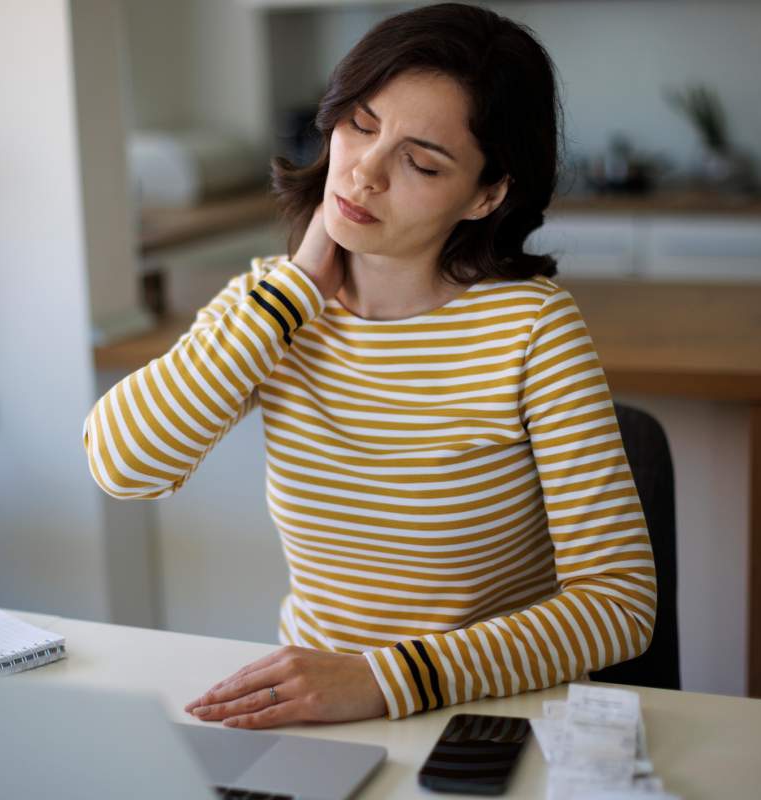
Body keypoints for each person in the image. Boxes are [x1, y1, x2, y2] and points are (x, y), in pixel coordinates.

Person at [83, 2, 656, 729]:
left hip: (479, 716)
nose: (364, 173)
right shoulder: (270, 308)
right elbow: (122, 467)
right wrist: (291, 295)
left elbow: (617, 606)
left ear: (487, 194)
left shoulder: (533, 330)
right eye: (360, 124)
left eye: (420, 162)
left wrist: (385, 679)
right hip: (312, 718)